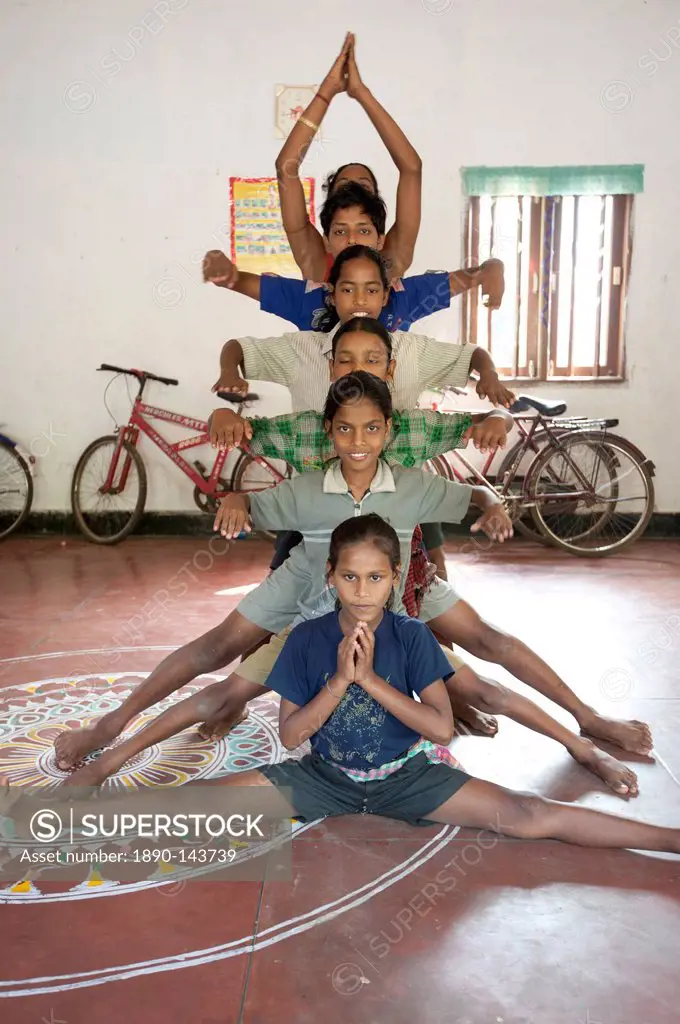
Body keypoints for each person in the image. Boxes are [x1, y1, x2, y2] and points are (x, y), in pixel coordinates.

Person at [54, 376, 650, 787]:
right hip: (314, 593)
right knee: (218, 659)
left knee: (491, 648)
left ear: (388, 430)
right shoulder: (307, 491)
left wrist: (493, 506)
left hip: (399, 588)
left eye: (370, 430)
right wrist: (233, 500)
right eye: (344, 431)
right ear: (329, 433)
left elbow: (473, 495)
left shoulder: (414, 485)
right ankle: (109, 733)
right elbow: (249, 502)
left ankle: (586, 724)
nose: (357, 443)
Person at [144, 517, 675, 854]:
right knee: (190, 806)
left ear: (394, 579)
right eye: (349, 577)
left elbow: (442, 730)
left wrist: (370, 681)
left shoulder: (414, 636)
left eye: (376, 578)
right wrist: (338, 683)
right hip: (323, 777)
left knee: (529, 814)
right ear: (330, 576)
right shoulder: (305, 639)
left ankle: (670, 841)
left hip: (411, 777)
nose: (361, 591)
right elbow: (289, 737)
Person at [210, 244, 513, 576]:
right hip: (317, 513)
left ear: (390, 369)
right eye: (345, 360)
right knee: (291, 584)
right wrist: (224, 415)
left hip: (398, 509)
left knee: (424, 583)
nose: (359, 369)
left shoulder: (411, 432)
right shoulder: (307, 432)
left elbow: (481, 428)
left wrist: (495, 406)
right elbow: (249, 427)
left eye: (372, 360)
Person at [202, 184, 504, 331]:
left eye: (363, 230)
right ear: (327, 242)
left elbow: (467, 278)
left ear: (380, 240)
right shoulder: (307, 298)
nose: (351, 241)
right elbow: (240, 281)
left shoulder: (403, 296)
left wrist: (492, 269)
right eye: (340, 232)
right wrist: (226, 273)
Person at [273, 33, 422, 282]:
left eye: (363, 186)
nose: (354, 190)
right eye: (344, 187)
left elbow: (412, 169)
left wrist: (361, 92)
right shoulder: (316, 259)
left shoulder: (391, 259)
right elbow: (286, 168)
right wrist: (326, 92)